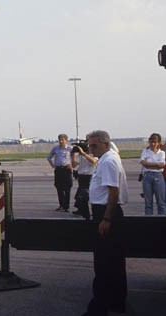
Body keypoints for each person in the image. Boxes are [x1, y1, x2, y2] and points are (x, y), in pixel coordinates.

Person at [82, 130, 128, 316]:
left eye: (94, 145)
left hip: (106, 212)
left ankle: (100, 306)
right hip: (106, 212)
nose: (91, 148)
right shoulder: (108, 157)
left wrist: (106, 218)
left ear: (105, 144)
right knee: (114, 262)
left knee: (104, 262)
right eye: (89, 145)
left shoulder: (108, 161)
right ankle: (116, 303)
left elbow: (113, 192)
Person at [139, 133, 165, 215]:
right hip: (147, 176)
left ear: (159, 143)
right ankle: (149, 221)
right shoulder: (145, 151)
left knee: (161, 202)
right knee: (148, 203)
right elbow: (143, 163)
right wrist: (156, 165)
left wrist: (149, 164)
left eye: (155, 142)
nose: (153, 144)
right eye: (151, 142)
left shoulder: (162, 153)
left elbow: (162, 165)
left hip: (158, 176)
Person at [72, 137, 98, 220]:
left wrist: (83, 153)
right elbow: (74, 165)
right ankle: (82, 211)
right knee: (80, 197)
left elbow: (94, 161)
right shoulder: (81, 155)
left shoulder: (94, 154)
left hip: (89, 176)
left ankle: (88, 214)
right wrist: (73, 156)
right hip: (81, 177)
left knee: (85, 196)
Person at [47, 134, 73, 212]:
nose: (61, 141)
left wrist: (71, 164)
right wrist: (53, 165)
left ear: (66, 140)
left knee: (67, 188)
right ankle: (61, 205)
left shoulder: (70, 149)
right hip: (59, 170)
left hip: (67, 170)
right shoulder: (55, 148)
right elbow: (49, 157)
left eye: (62, 140)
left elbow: (76, 158)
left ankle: (66, 206)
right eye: (59, 140)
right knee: (59, 188)